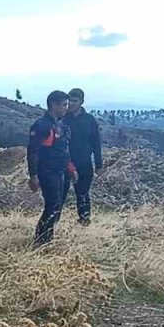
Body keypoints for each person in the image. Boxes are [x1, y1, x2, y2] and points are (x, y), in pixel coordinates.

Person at [28, 91, 75, 247]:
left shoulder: (60, 125)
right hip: (47, 172)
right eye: (64, 105)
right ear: (53, 105)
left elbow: (63, 150)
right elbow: (33, 151)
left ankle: (48, 238)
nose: (66, 108)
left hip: (60, 171)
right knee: (51, 206)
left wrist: (70, 168)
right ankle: (41, 241)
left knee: (57, 206)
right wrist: (33, 175)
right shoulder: (42, 125)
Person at [64, 88, 103, 226]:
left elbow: (96, 142)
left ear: (81, 102)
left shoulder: (89, 120)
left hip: (84, 162)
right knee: (60, 193)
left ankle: (84, 220)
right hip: (64, 162)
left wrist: (99, 164)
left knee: (83, 193)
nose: (71, 104)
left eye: (75, 101)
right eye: (69, 101)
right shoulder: (62, 119)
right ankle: (54, 221)